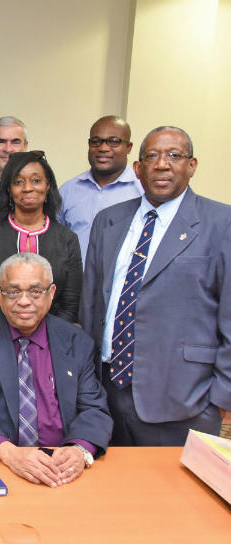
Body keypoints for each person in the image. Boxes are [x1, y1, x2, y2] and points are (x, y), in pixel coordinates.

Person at [81, 126, 231, 446]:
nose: (162, 164)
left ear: (191, 166)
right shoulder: (109, 220)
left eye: (174, 156)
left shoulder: (222, 223)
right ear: (138, 168)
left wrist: (223, 397)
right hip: (106, 392)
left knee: (179, 496)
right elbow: (91, 304)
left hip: (185, 398)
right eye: (152, 156)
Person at [0, 253, 112, 486]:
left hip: (60, 469)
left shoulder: (76, 341)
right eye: (13, 291)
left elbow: (94, 409)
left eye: (35, 291)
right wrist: (9, 453)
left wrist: (78, 449)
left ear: (51, 293)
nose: (24, 301)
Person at [0, 151, 82, 323]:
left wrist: (45, 339)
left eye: (36, 181)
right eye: (18, 182)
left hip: (52, 341)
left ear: (48, 185)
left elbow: (71, 304)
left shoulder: (67, 239)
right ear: (8, 189)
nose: (28, 188)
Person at [57, 116, 144, 264]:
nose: (103, 148)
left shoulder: (142, 191)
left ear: (128, 147)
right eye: (96, 141)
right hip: (76, 283)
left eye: (114, 141)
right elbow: (55, 242)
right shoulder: (68, 190)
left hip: (123, 285)